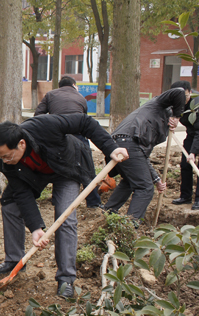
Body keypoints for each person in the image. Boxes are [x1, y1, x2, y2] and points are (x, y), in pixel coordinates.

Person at [0, 115, 128, 297]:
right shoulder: (5, 163)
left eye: (7, 156)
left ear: (21, 144)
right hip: (35, 174)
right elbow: (22, 193)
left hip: (66, 168)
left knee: (65, 217)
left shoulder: (44, 126)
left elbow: (85, 123)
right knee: (10, 204)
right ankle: (15, 261)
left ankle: (66, 278)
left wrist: (111, 148)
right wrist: (36, 228)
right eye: (0, 156)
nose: (4, 160)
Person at [104, 86, 189, 222]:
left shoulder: (158, 118)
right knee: (145, 188)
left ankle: (106, 214)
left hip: (122, 144)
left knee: (129, 181)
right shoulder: (159, 104)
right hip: (128, 143)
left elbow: (142, 157)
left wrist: (156, 179)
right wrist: (176, 116)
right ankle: (130, 226)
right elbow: (179, 91)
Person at [34, 75, 102, 208]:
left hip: (59, 135)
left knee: (58, 166)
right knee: (87, 169)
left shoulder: (50, 95)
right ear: (74, 85)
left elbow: (38, 115)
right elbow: (84, 120)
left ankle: (56, 199)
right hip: (79, 135)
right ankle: (93, 203)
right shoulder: (80, 97)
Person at [169, 81, 197, 208]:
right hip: (191, 134)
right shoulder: (175, 102)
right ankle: (186, 196)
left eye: (184, 96)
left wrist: (193, 152)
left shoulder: (196, 105)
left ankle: (198, 200)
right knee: (185, 165)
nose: (181, 100)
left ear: (190, 92)